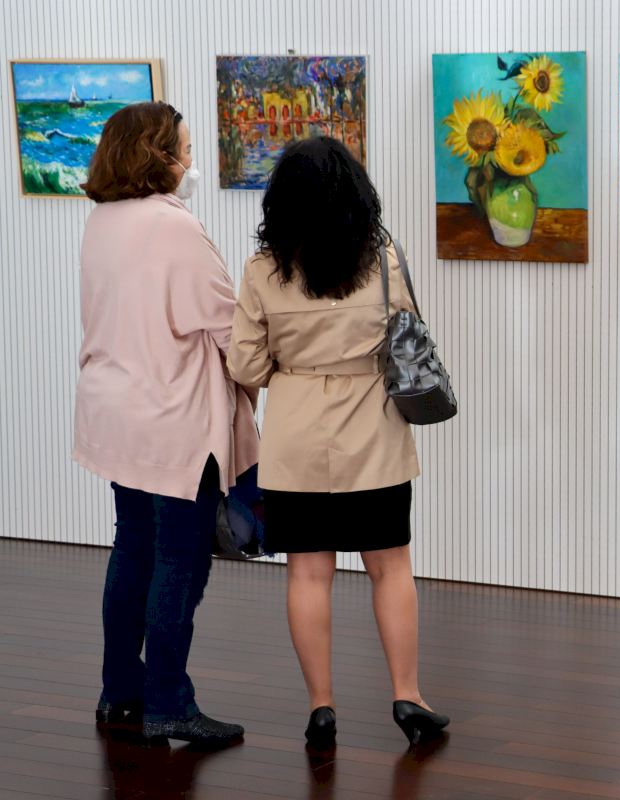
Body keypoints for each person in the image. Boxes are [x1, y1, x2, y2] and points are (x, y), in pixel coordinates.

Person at [229, 136, 448, 749]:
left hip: (295, 441)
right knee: (390, 567)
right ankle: (407, 696)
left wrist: (292, 367)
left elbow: (245, 366)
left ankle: (321, 707)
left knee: (307, 574)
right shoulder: (383, 260)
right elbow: (406, 334)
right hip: (373, 435)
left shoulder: (263, 270)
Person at [75, 102, 259, 746]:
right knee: (180, 562)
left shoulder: (102, 219)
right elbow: (233, 332)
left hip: (116, 415)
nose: (191, 161)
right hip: (173, 422)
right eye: (185, 149)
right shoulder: (174, 227)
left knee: (132, 550)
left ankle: (119, 692)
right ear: (159, 155)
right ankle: (169, 703)